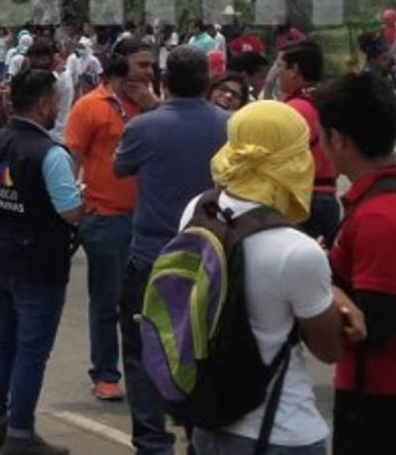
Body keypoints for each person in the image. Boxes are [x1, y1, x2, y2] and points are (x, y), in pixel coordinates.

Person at [184, 100, 363, 455]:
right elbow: (329, 349)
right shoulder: (298, 251)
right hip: (279, 430)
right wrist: (336, 297)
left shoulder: (199, 208)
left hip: (209, 419)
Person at [312, 73, 396, 455]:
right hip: (389, 391)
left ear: (339, 140)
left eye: (321, 137)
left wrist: (322, 280)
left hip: (383, 394)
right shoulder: (391, 200)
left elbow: (372, 325)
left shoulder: (379, 217)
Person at [110, 46, 228, 452]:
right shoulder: (230, 126)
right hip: (212, 255)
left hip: (152, 255)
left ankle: (152, 440)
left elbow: (119, 166)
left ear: (163, 80)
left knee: (144, 348)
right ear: (207, 82)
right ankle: (199, 435)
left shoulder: (143, 128)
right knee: (204, 348)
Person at [0, 69, 82, 455]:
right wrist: (87, 203)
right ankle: (20, 433)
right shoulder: (50, 154)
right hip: (37, 263)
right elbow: (70, 211)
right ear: (43, 104)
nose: (57, 108)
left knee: (2, 339)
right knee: (31, 350)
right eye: (54, 101)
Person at [64, 36, 157, 402]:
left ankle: (151, 374)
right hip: (105, 219)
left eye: (152, 66)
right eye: (142, 66)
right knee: (108, 301)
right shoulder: (90, 107)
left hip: (150, 219)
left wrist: (153, 106)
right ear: (119, 67)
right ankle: (105, 373)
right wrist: (71, 209)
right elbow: (71, 158)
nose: (150, 73)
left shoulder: (152, 106)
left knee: (150, 303)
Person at [277, 41, 342, 244]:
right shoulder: (328, 102)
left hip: (304, 202)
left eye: (280, 67)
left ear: (294, 70)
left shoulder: (294, 109)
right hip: (328, 198)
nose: (277, 75)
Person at [24, 39, 74, 144]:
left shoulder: (57, 79)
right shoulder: (62, 74)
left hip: (51, 135)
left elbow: (40, 83)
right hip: (60, 132)